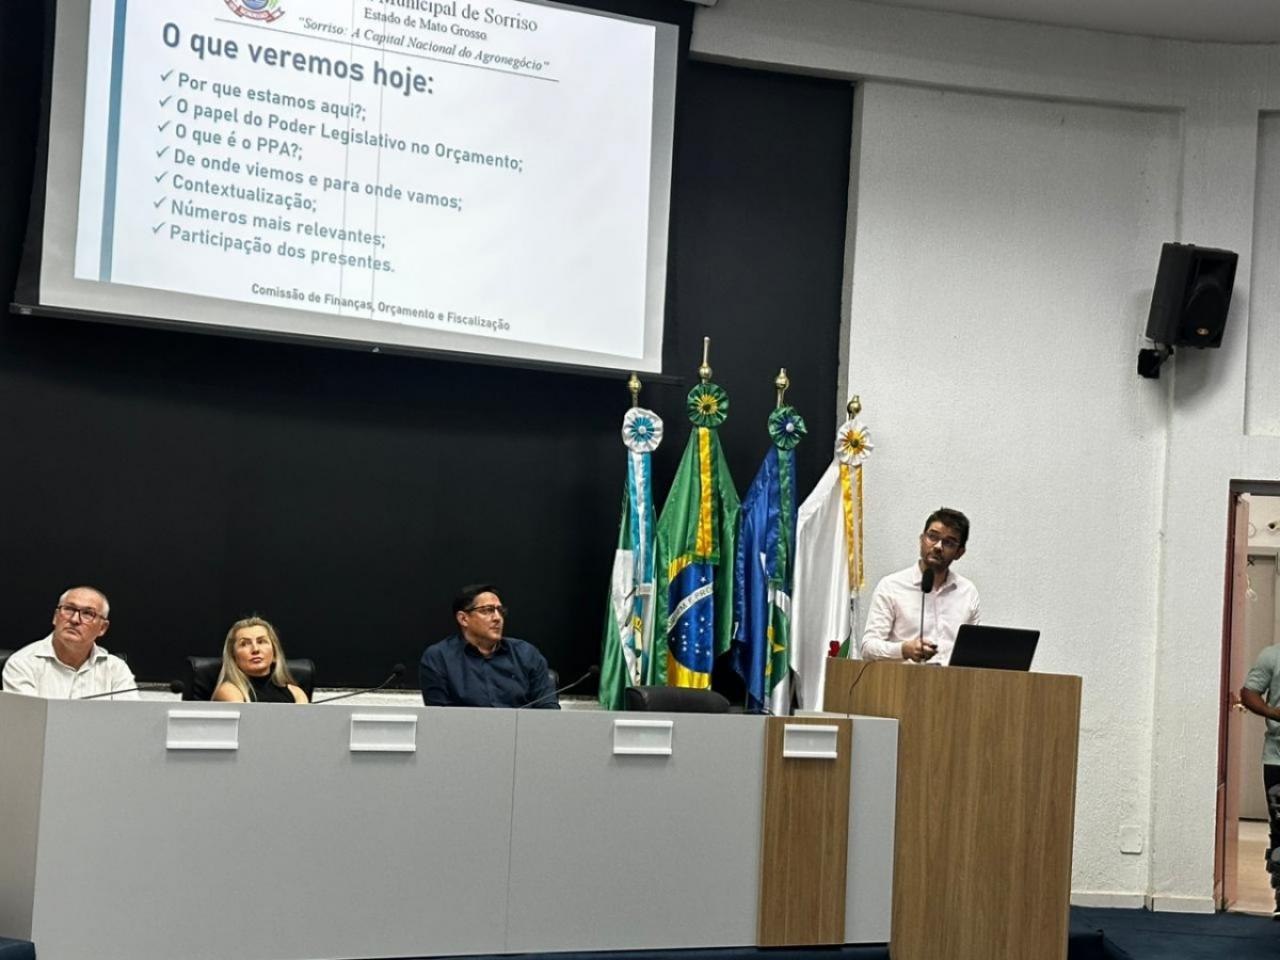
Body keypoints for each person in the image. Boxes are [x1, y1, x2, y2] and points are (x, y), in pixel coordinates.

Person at [860, 508, 980, 665]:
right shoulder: (891, 586)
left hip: (953, 679)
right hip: (903, 678)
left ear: (959, 552)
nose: (938, 546)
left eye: (949, 543)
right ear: (922, 539)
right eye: (932, 537)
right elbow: (868, 649)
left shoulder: (967, 592)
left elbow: (973, 652)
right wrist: (904, 649)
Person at [420, 584, 559, 708]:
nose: (498, 618)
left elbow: (548, 711)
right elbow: (439, 718)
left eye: (500, 610)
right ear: (463, 619)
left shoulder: (526, 654)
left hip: (521, 729)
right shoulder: (439, 658)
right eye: (487, 610)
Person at [2, 586, 137, 699]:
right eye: (69, 609)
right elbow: (29, 719)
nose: (74, 619)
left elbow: (129, 718)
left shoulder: (116, 670)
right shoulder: (22, 663)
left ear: (102, 628)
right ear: (56, 617)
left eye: (88, 613)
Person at [1240, 642, 1280, 918]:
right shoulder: (1272, 655)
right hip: (1277, 758)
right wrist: (1273, 713)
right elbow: (1249, 693)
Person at [211, 616, 308, 703]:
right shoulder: (229, 691)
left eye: (261, 642)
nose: (255, 649)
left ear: (274, 653)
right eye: (244, 644)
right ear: (233, 656)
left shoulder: (296, 693)